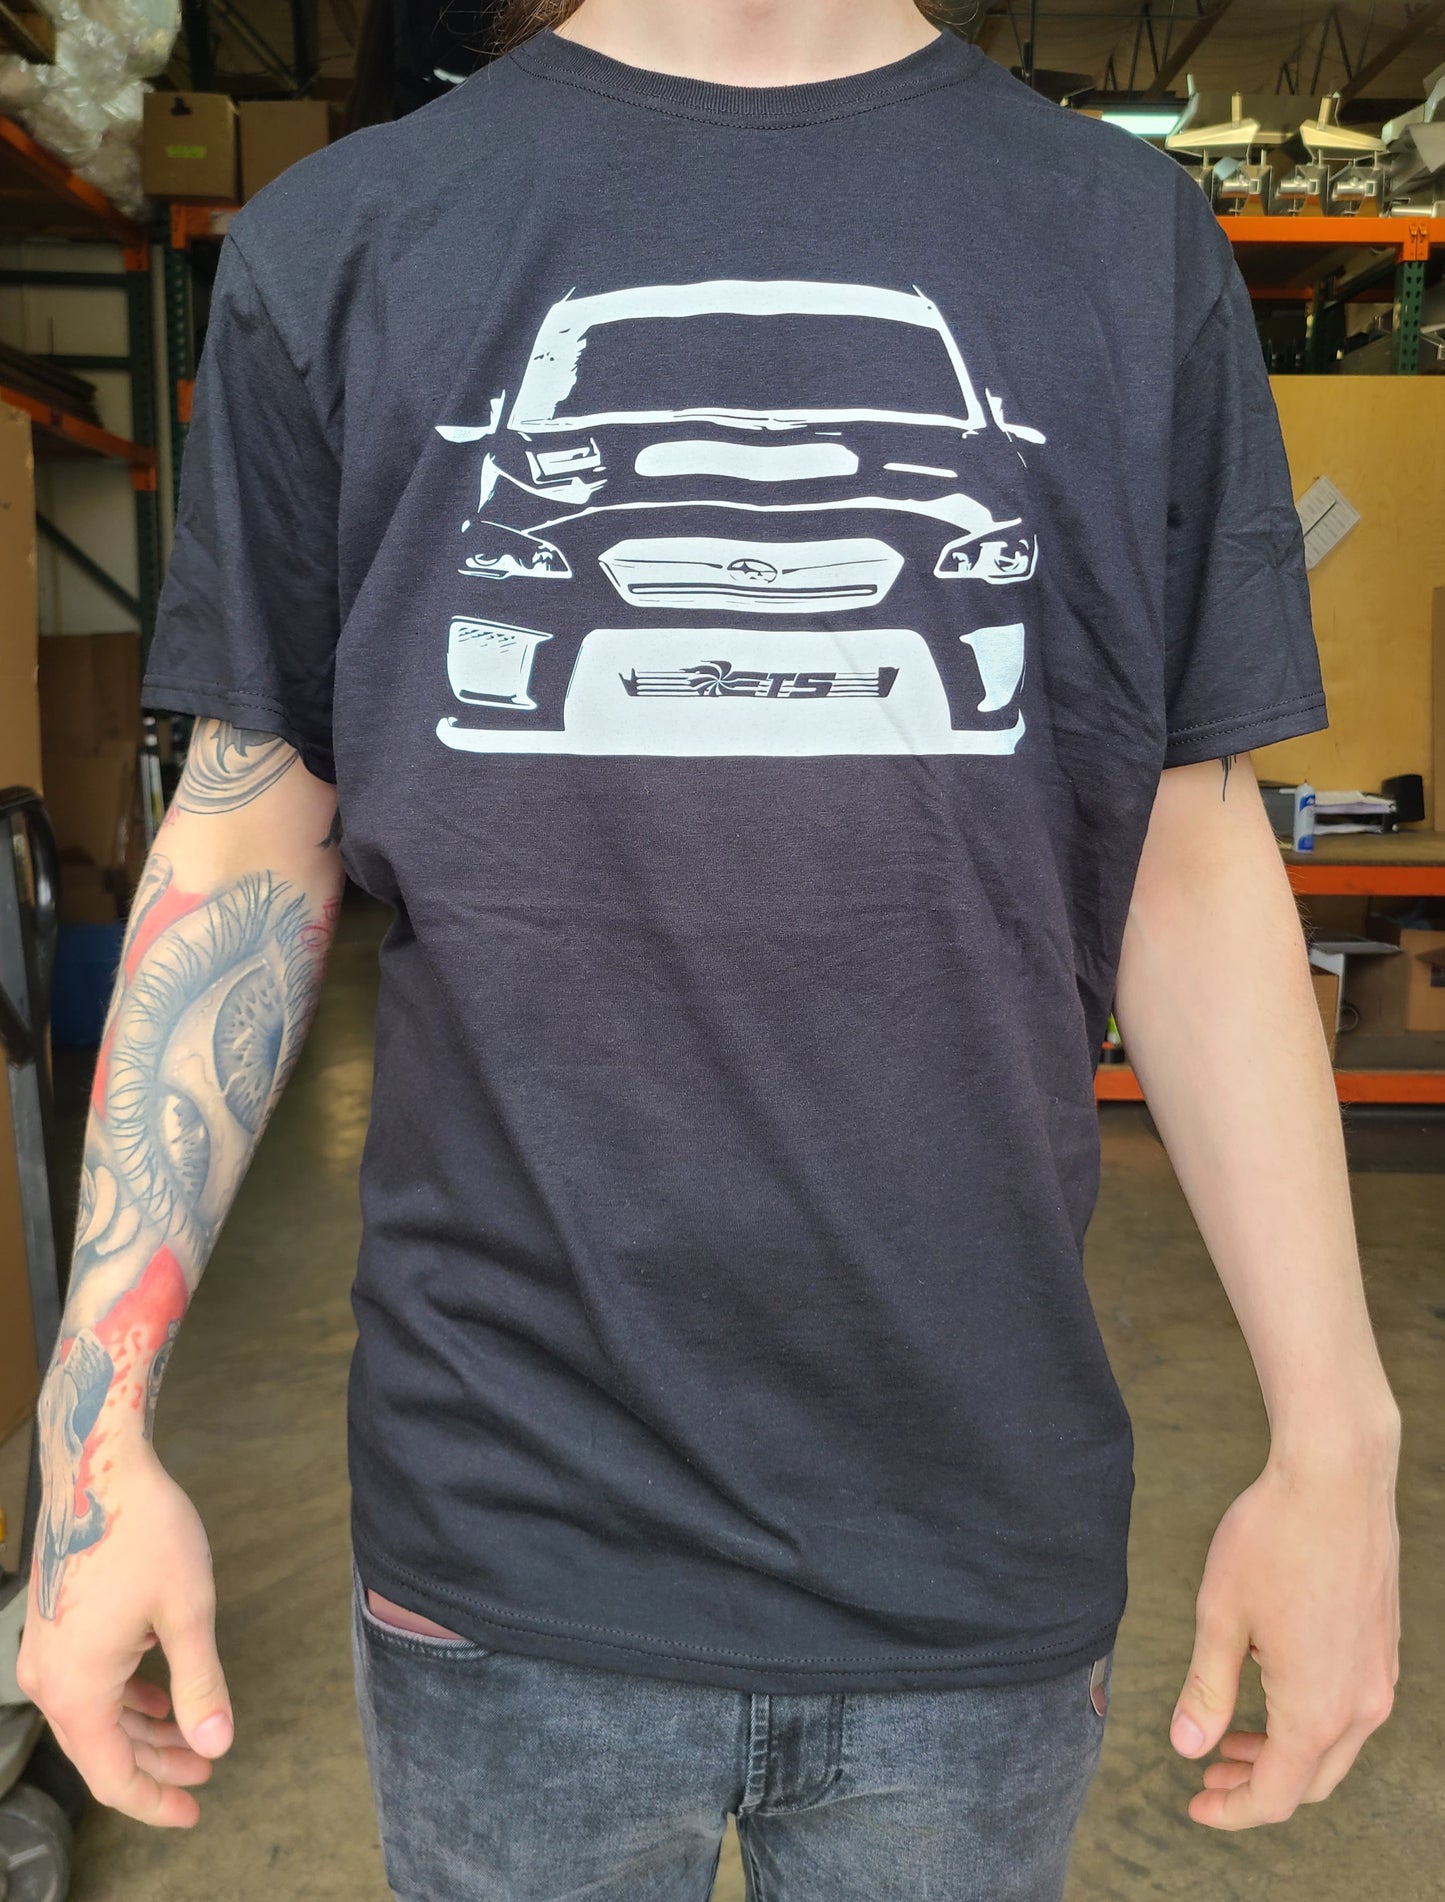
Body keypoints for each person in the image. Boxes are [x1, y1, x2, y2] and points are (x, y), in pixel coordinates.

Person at [16, 1, 1401, 1896]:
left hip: (974, 1543)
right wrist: (90, 1429)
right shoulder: (346, 244)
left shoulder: (1123, 243)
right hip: (505, 1541)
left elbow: (1184, 851)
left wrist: (1337, 1438)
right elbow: (253, 825)